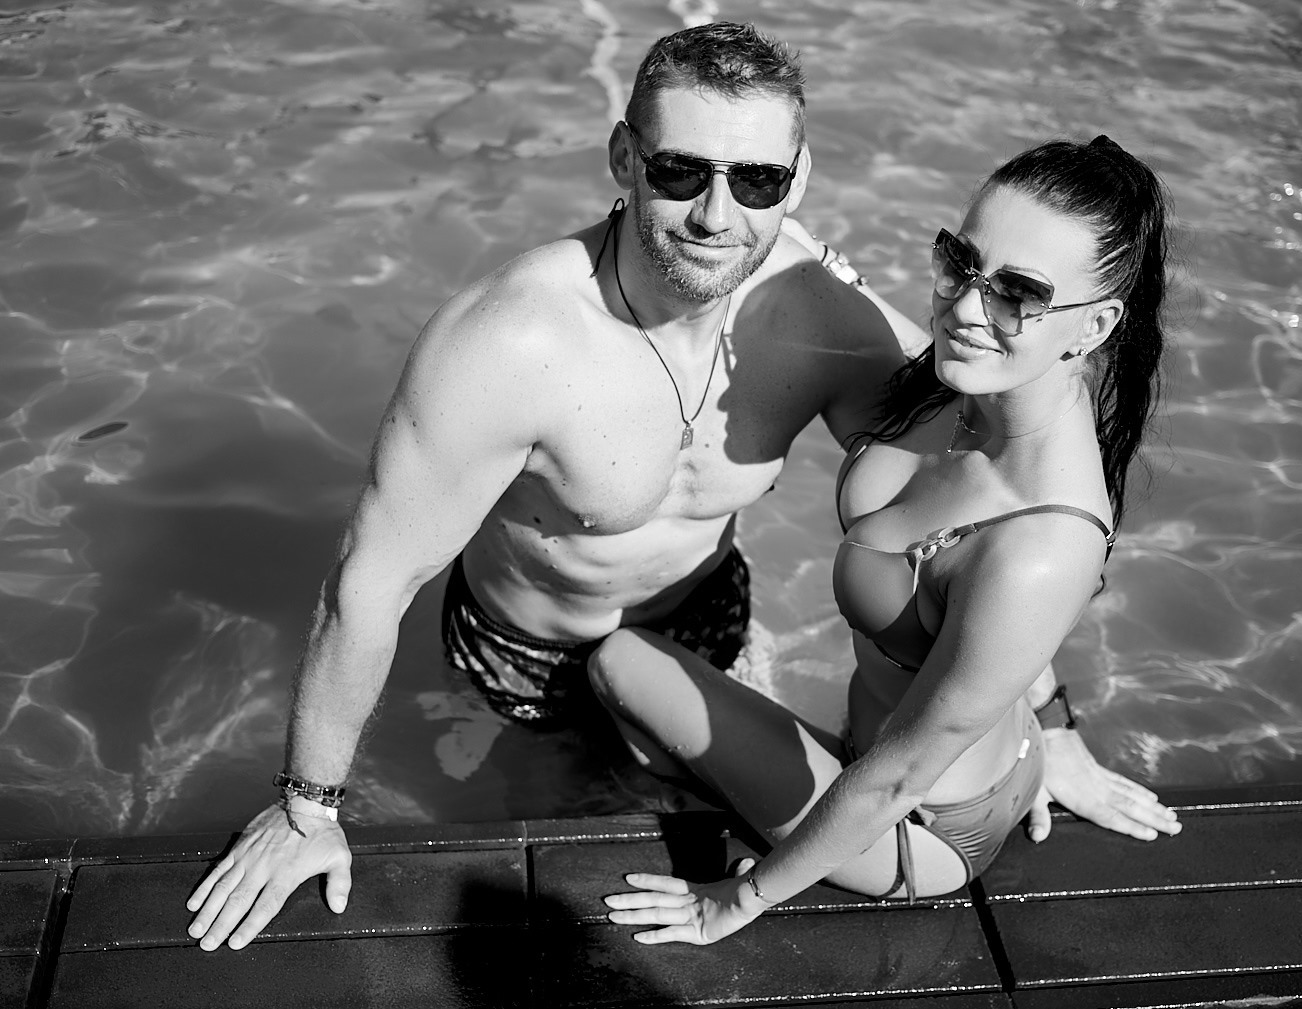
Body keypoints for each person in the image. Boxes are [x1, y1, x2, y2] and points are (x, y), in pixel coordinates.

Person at [183, 21, 921, 953]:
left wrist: (1039, 725)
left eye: (758, 181)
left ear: (798, 179)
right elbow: (370, 582)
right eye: (680, 171)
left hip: (706, 622)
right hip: (529, 659)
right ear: (624, 158)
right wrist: (307, 808)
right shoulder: (513, 341)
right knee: (560, 876)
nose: (716, 216)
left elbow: (980, 469)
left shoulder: (819, 314)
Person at [595, 135, 1184, 945]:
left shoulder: (1044, 543)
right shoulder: (966, 381)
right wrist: (1057, 729)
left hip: (916, 824)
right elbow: (806, 266)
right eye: (960, 262)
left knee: (616, 663)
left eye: (1019, 293)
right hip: (961, 745)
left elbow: (901, 774)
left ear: (1096, 324)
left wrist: (733, 902)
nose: (967, 309)